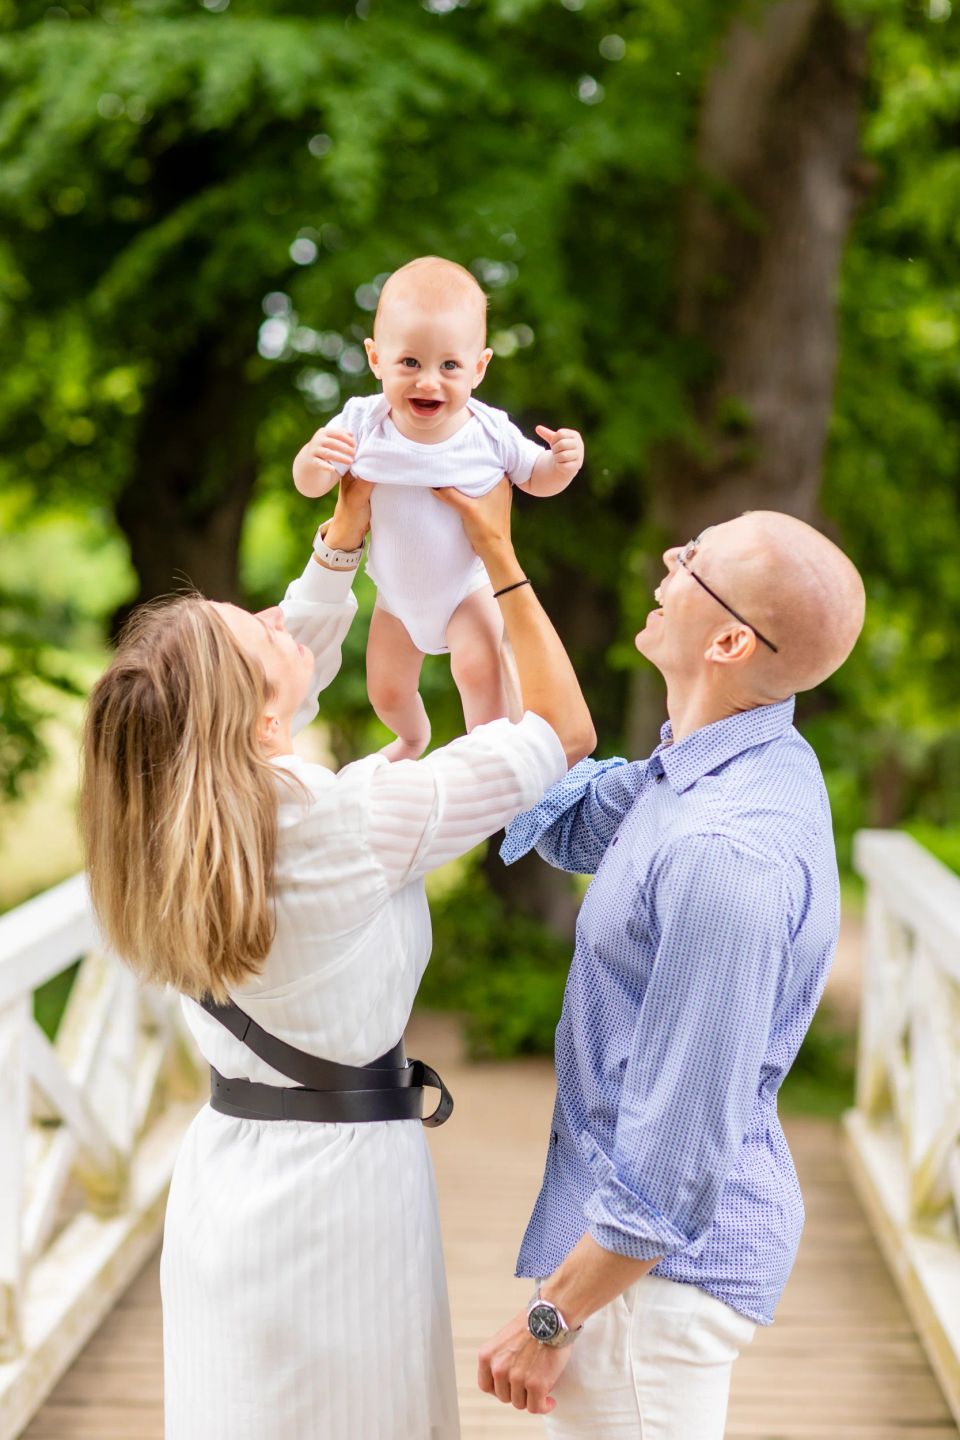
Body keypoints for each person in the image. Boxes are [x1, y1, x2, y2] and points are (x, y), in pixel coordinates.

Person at [79, 471, 595, 1440]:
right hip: (345, 1198)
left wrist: (344, 539)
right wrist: (498, 559)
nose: (290, 621)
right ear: (263, 723)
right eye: (268, 629)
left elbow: (247, 684)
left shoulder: (166, 823)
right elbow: (563, 732)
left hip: (226, 1181)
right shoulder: (356, 818)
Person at [477, 511, 866, 1439]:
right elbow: (558, 811)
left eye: (695, 560)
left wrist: (553, 1316)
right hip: (629, 1281)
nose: (668, 557)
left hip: (645, 1293)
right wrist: (488, 570)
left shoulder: (724, 854)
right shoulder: (710, 766)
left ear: (730, 640)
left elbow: (681, 1146)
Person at [292, 256, 584, 760]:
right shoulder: (363, 421)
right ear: (376, 358)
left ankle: (487, 753)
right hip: (394, 601)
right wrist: (314, 459)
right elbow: (312, 484)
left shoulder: (489, 430)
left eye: (449, 366)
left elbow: (536, 479)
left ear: (479, 367)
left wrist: (562, 464)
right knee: (386, 690)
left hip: (466, 594)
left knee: (477, 670)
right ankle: (412, 738)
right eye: (410, 363)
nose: (429, 382)